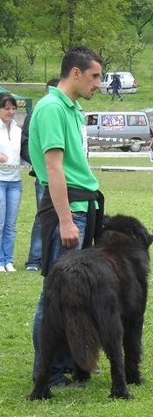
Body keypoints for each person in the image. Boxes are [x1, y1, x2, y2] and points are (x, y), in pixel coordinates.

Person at [29, 46, 105, 387]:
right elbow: (53, 168)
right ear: (75, 73)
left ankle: (67, 364)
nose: (99, 84)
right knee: (55, 293)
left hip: (82, 206)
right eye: (94, 76)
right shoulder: (50, 109)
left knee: (74, 294)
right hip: (68, 209)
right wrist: (65, 220)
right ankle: (47, 372)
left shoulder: (71, 109)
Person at [20, 78, 60, 272]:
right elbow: (25, 144)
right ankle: (35, 259)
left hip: (64, 176)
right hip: (43, 177)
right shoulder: (36, 112)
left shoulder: (66, 112)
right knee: (43, 216)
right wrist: (40, 164)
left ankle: (53, 258)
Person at [0, 94, 22, 273]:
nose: (11, 112)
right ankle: (0, 261)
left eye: (13, 108)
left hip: (15, 182)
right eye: (6, 108)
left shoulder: (17, 129)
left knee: (11, 224)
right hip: (0, 181)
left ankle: (9, 260)